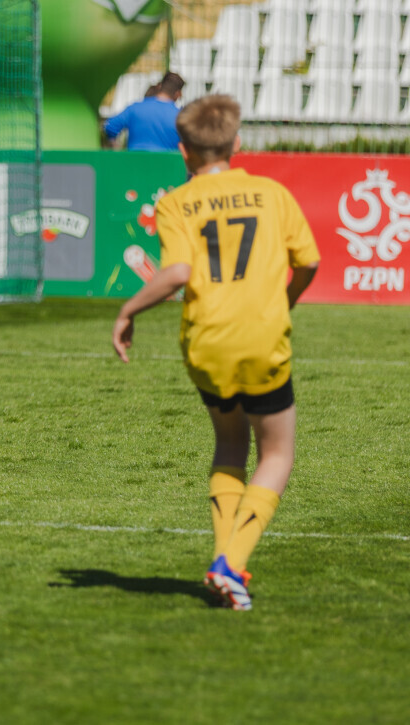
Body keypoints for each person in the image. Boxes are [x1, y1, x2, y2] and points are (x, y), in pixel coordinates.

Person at [111, 95, 320, 611]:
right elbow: (309, 262)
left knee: (229, 446)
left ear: (183, 151)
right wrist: (287, 301)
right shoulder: (271, 193)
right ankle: (230, 563)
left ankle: (225, 564)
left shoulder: (176, 203)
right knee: (277, 454)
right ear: (237, 142)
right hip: (263, 339)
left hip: (205, 342)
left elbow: (177, 273)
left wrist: (128, 311)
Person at [104, 71, 184, 151]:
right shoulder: (180, 116)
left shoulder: (135, 108)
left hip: (135, 158)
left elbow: (110, 126)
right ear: (178, 94)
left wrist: (117, 148)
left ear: (160, 87)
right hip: (168, 159)